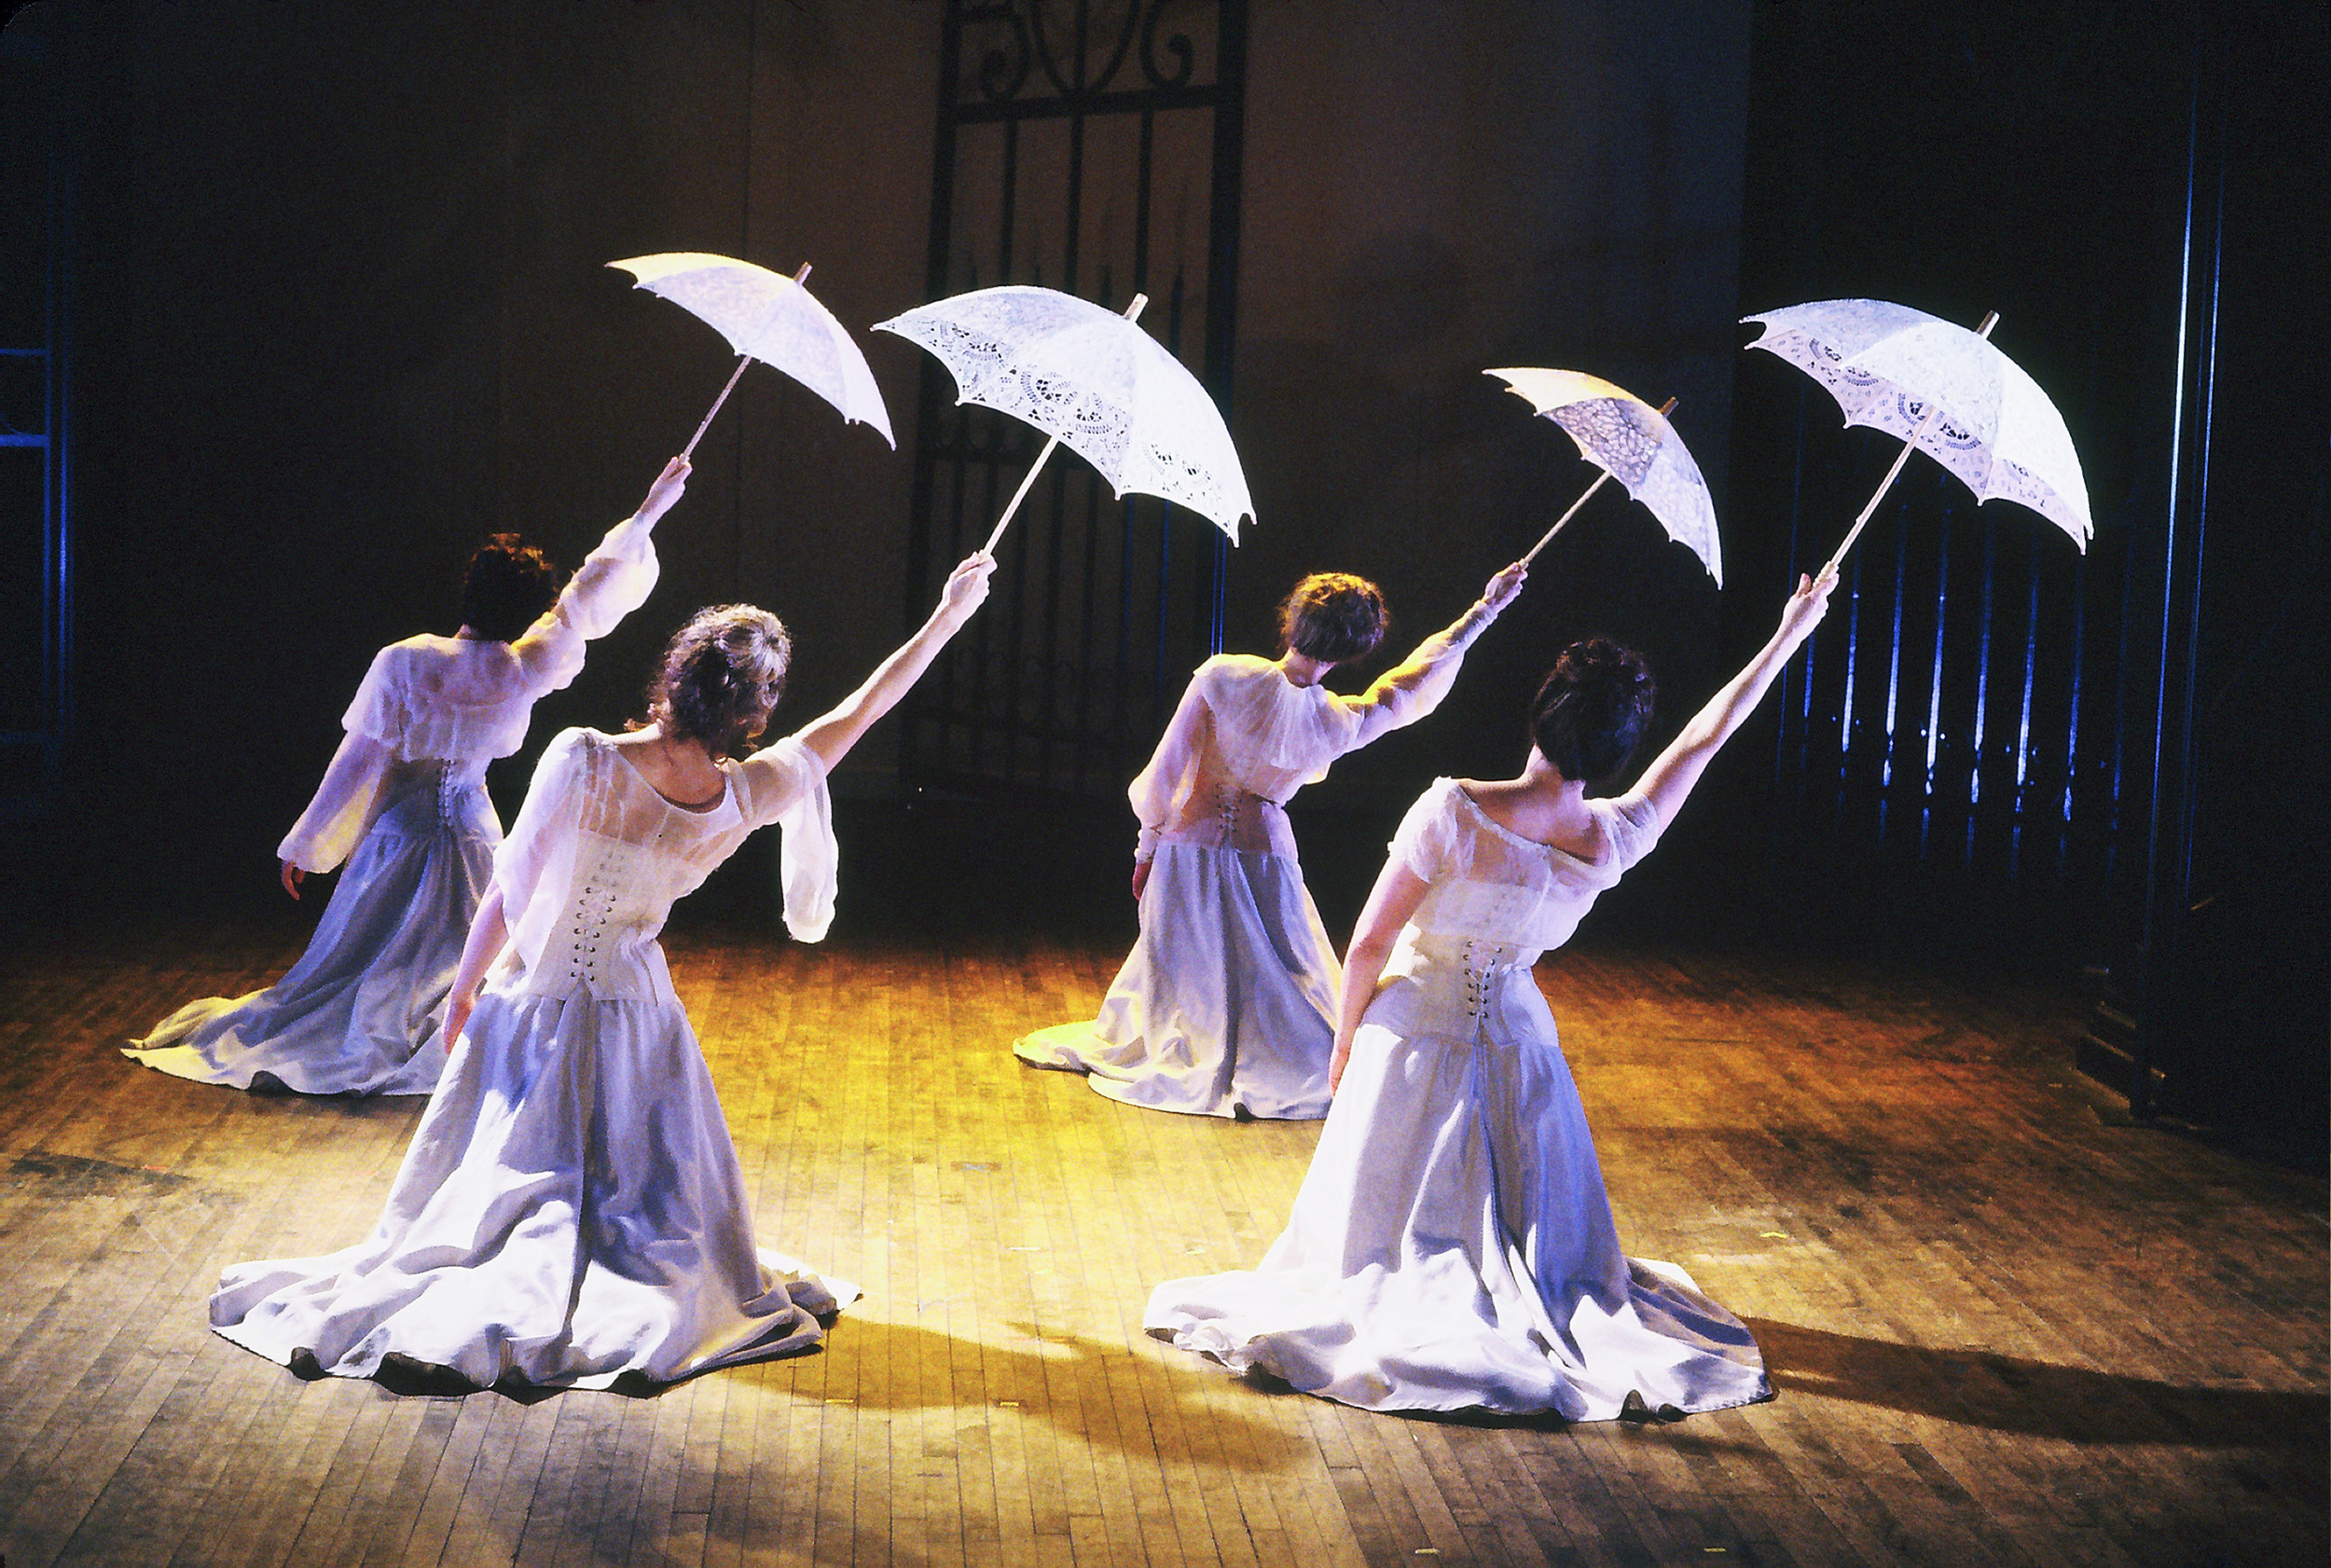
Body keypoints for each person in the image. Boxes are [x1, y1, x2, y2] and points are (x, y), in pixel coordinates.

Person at [208, 552, 997, 1391]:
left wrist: (468, 987)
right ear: (754, 711)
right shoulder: (744, 795)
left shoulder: (584, 756)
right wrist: (947, 614)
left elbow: (511, 888)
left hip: (538, 1004)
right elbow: (864, 710)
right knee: (634, 1208)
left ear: (677, 671)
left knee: (498, 1209)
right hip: (641, 1020)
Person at [1145, 572, 1836, 1418]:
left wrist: (1341, 1043)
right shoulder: (1615, 837)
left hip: (1410, 1038)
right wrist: (1788, 634)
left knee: (1373, 1254)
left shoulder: (1454, 810)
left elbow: (1365, 944)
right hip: (1521, 1042)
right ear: (1616, 748)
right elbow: (1701, 740)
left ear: (1542, 716)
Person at [125, 458, 693, 1095]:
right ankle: (460, 1027)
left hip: (403, 832)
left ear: (469, 590)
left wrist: (308, 843)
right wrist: (650, 509)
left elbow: (359, 759)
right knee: (456, 963)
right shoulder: (525, 667)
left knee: (367, 968)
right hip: (475, 835)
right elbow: (588, 597)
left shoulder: (407, 661)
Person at [1014, 561, 1529, 1120]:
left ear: (1293, 621)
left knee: (1197, 980)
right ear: (1352, 651)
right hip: (1265, 855)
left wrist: (1146, 848)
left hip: (1188, 845)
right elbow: (1412, 682)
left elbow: (1165, 776)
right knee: (1286, 983)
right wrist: (1485, 610)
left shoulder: (1222, 676)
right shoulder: (1338, 719)